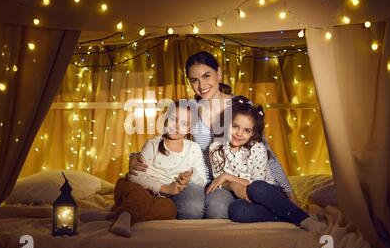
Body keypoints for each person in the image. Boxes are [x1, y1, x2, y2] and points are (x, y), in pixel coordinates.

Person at [130, 51, 292, 219]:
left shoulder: (241, 105)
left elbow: (266, 153)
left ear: (219, 73)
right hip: (205, 181)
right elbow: (167, 138)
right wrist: (135, 156)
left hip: (241, 178)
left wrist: (289, 192)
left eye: (206, 76)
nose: (201, 85)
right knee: (203, 208)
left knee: (220, 209)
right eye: (194, 80)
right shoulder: (189, 108)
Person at [207, 96, 326, 232]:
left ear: (252, 134)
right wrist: (231, 184)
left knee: (256, 188)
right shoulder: (215, 148)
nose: (239, 133)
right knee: (236, 210)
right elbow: (219, 181)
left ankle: (304, 220)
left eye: (247, 130)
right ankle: (290, 217)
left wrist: (229, 177)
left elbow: (256, 182)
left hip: (267, 192)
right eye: (235, 126)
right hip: (244, 197)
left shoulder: (257, 148)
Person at [110, 101, 207, 237]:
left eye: (185, 123)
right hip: (136, 187)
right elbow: (135, 176)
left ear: (190, 129)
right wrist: (165, 189)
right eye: (174, 119)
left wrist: (191, 176)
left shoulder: (193, 148)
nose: (177, 126)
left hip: (160, 198)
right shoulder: (153, 145)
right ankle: (124, 219)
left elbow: (202, 180)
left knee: (169, 210)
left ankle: (117, 215)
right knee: (140, 197)